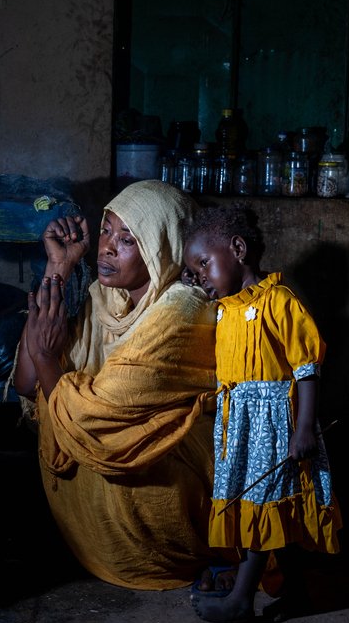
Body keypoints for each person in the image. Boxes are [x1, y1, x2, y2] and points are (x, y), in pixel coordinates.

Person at [13, 179, 235, 591]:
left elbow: (97, 416)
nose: (107, 248)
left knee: (108, 442)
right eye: (106, 231)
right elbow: (29, 385)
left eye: (128, 239)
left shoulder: (183, 312)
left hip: (183, 468)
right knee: (61, 409)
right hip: (101, 428)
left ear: (161, 248)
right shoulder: (106, 298)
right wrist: (58, 269)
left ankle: (172, 553)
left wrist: (46, 357)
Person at [182, 203, 342, 623]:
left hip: (276, 429)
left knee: (261, 507)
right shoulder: (227, 306)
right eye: (195, 271)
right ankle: (299, 593)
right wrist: (197, 278)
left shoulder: (280, 303)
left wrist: (304, 428)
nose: (201, 277)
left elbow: (308, 370)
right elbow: (208, 290)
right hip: (241, 430)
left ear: (238, 249)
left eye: (204, 265)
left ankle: (240, 598)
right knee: (273, 509)